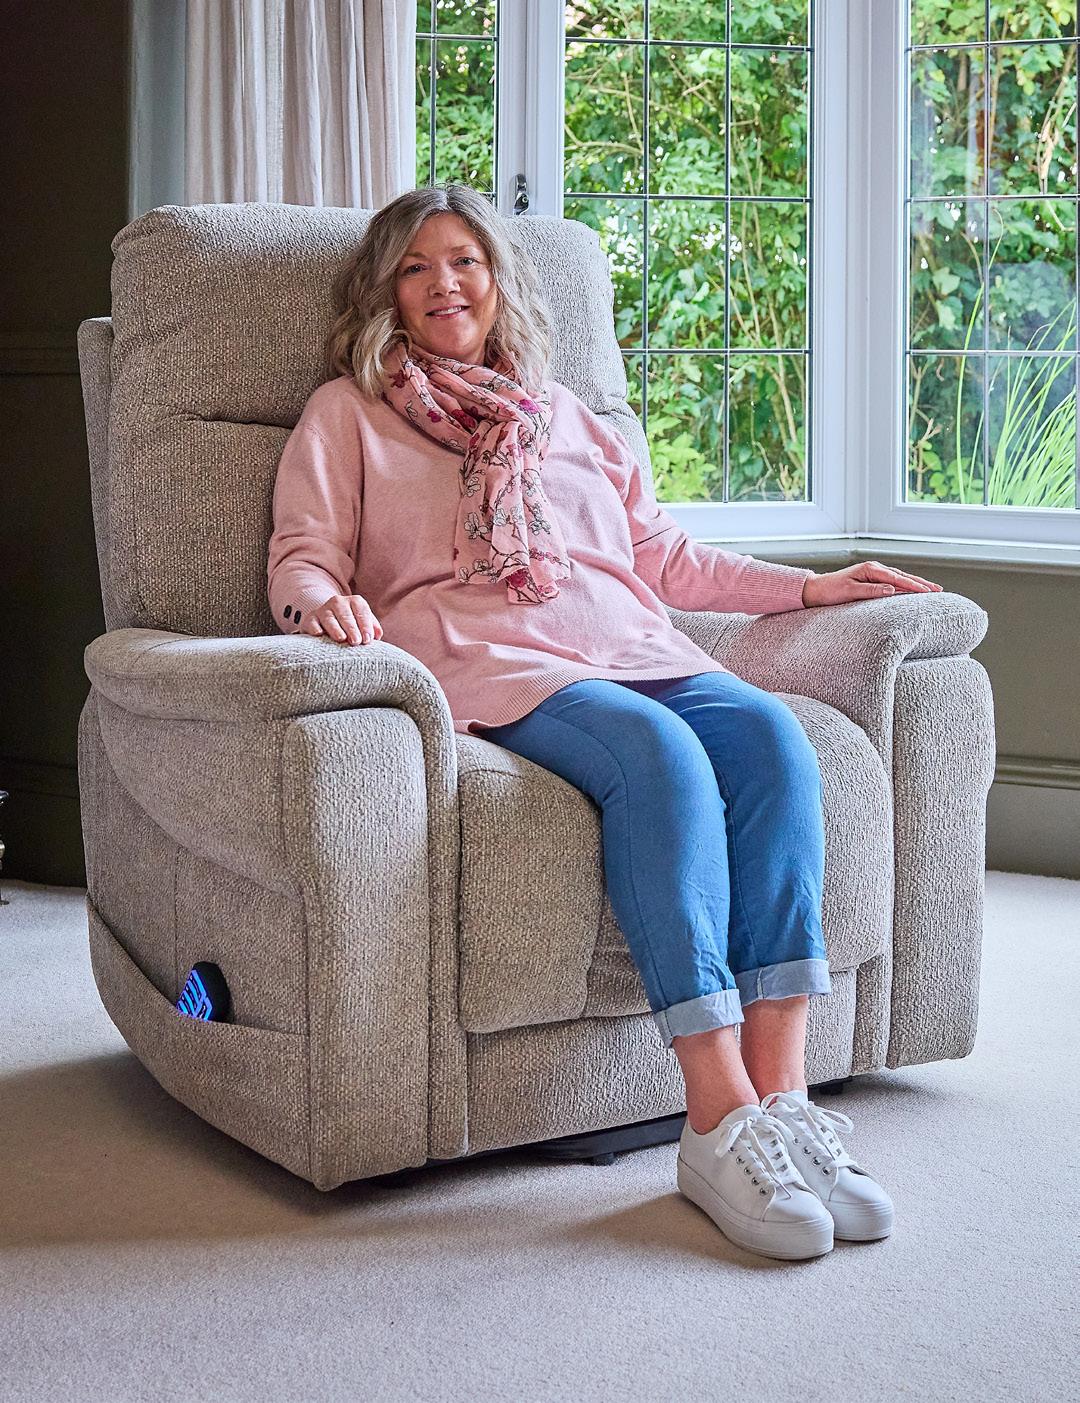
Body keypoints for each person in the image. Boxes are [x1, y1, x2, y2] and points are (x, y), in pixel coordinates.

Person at [267, 181, 943, 1261]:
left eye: (466, 260)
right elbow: (303, 557)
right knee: (660, 756)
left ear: (498, 281)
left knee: (773, 741)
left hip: (635, 645)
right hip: (494, 663)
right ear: (385, 293)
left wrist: (809, 587)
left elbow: (662, 558)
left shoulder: (566, 415)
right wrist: (322, 605)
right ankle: (718, 1117)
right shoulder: (347, 414)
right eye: (417, 267)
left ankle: (785, 1102)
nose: (446, 283)